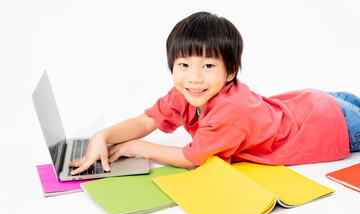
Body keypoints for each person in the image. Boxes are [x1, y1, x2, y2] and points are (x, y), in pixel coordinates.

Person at [69, 11, 360, 175]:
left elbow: (193, 157)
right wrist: (102, 136)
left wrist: (135, 147)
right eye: (184, 64)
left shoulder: (231, 111)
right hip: (308, 102)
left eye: (208, 65)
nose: (194, 77)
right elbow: (147, 121)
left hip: (331, 124)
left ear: (230, 71)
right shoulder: (186, 92)